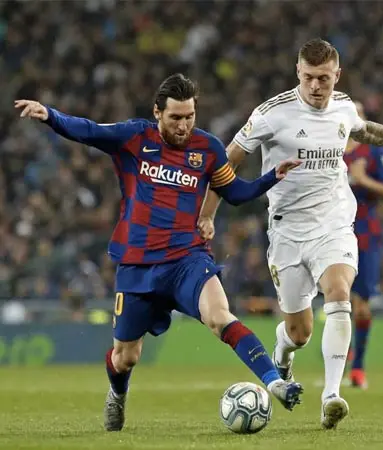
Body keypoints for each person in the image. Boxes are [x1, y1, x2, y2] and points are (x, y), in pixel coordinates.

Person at [15, 73, 303, 432]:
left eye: (189, 117)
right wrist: (50, 116)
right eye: (175, 118)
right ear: (157, 113)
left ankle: (274, 381)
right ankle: (117, 395)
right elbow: (88, 130)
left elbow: (237, 194)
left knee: (219, 316)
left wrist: (272, 176)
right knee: (125, 357)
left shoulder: (208, 149)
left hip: (187, 258)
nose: (183, 126)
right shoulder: (135, 137)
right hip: (138, 265)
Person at [197, 38, 383, 429]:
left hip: (334, 223)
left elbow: (371, 133)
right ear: (298, 72)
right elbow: (227, 162)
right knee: (300, 333)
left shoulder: (345, 107)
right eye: (310, 78)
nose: (317, 87)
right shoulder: (271, 114)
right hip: (287, 232)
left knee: (339, 292)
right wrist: (208, 215)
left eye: (325, 79)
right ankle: (284, 349)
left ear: (337, 75)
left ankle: (332, 395)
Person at [344, 101, 383, 389]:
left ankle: (358, 366)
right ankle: (343, 350)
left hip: (366, 236)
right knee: (338, 302)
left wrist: (363, 179)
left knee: (362, 307)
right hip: (332, 234)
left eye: (359, 114)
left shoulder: (375, 151)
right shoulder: (327, 150)